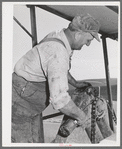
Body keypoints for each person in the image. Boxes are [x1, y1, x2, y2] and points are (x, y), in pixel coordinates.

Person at [12, 13, 100, 143]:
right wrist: (83, 117)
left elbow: (58, 69)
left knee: (37, 142)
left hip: (29, 105)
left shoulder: (57, 38)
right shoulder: (58, 52)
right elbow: (60, 101)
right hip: (19, 108)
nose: (87, 45)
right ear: (78, 35)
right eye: (88, 40)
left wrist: (75, 83)